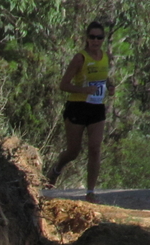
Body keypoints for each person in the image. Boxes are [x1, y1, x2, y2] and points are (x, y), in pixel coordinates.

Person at [46, 21, 116, 203]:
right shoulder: (80, 58)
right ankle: (56, 170)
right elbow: (63, 85)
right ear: (86, 38)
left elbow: (103, 78)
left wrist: (109, 86)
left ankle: (91, 192)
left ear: (103, 39)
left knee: (95, 148)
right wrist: (83, 90)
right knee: (73, 151)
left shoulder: (106, 57)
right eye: (92, 37)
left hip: (97, 108)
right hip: (77, 108)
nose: (95, 40)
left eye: (99, 37)